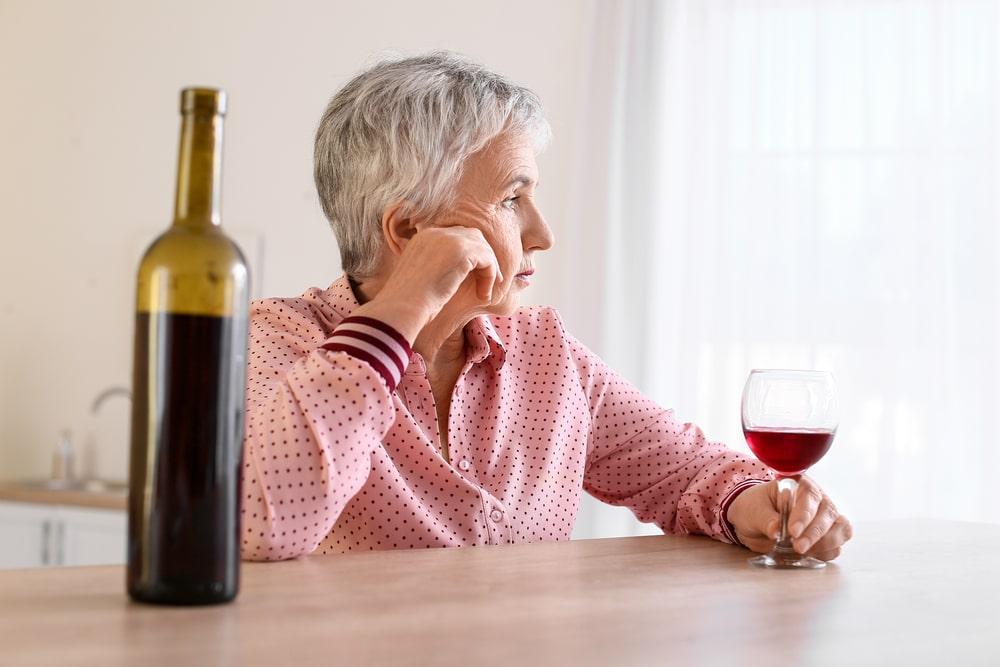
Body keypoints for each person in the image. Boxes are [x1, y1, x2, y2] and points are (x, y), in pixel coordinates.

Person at [240, 51, 852, 561]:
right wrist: (403, 306)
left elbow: (683, 471)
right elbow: (266, 525)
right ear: (406, 231)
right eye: (512, 198)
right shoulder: (279, 342)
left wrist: (757, 504)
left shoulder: (545, 355)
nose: (542, 233)